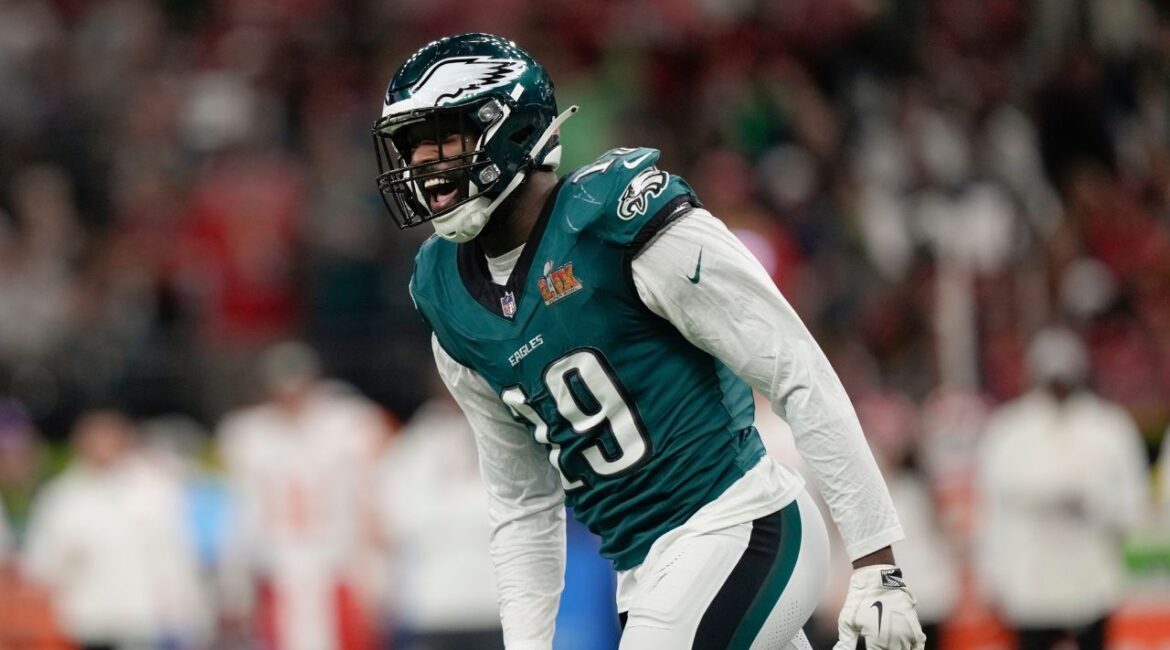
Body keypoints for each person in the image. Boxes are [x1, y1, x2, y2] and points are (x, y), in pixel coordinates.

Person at [373, 33, 926, 650]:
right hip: (644, 574)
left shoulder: (619, 218)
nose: (422, 163)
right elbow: (523, 504)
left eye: (443, 137)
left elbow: (795, 367)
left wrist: (879, 564)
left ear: (510, 126)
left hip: (743, 523)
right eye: (411, 146)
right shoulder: (445, 295)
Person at [974, 327, 1150, 650]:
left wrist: (1091, 504)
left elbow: (1132, 506)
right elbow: (992, 511)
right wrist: (992, 578)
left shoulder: (1109, 427)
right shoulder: (1008, 431)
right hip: (1030, 585)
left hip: (1091, 582)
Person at [216, 341, 386, 650]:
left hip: (338, 562)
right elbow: (243, 512)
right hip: (278, 565)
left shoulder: (345, 422)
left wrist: (376, 572)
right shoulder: (248, 434)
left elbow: (369, 495)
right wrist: (234, 585)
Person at [22, 409, 210, 650]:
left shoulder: (155, 487)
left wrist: (189, 611)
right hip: (90, 624)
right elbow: (39, 566)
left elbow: (180, 552)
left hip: (149, 623)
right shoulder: (61, 497)